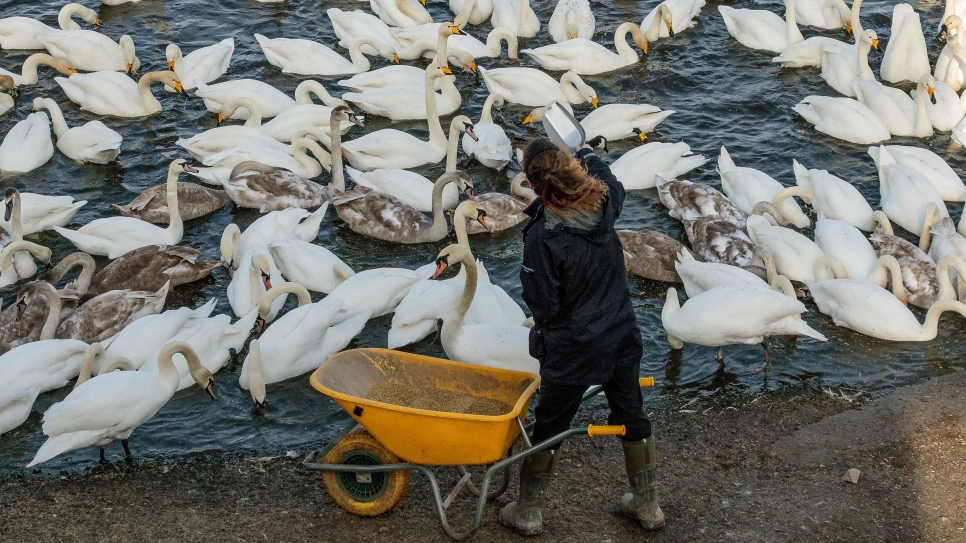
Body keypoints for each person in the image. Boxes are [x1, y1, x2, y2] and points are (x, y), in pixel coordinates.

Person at [499, 138, 664, 535]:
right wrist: (587, 151)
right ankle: (648, 505)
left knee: (552, 422)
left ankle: (528, 511)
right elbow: (607, 176)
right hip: (620, 335)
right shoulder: (606, 202)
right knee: (631, 413)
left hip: (572, 347)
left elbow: (544, 304)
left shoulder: (543, 238)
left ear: (535, 186)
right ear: (572, 168)